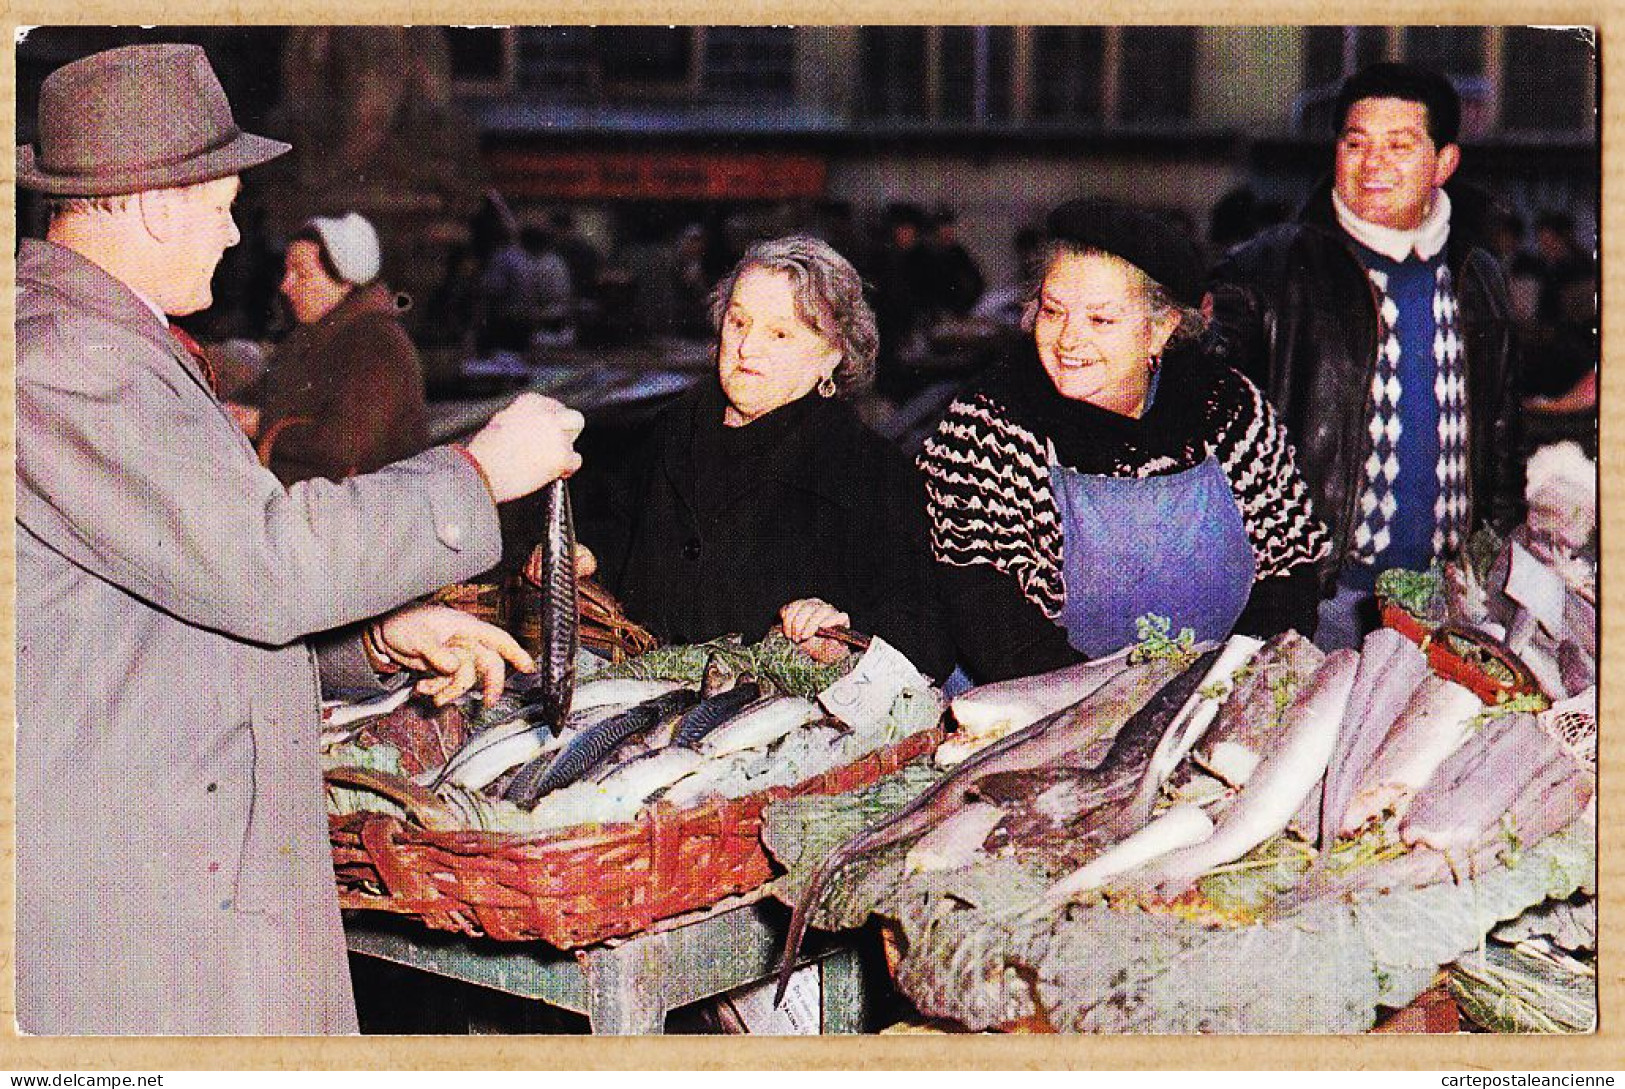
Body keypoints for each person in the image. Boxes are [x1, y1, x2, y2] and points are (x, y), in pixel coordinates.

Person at [15, 43, 586, 1035]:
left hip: (177, 858)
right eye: (223, 200)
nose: (236, 232)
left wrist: (369, 643)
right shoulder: (68, 358)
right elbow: (269, 562)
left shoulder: (102, 338)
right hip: (140, 901)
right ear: (154, 203)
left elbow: (172, 601)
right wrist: (482, 469)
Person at [918, 200, 1330, 684]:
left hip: (1216, 696)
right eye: (1053, 312)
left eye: (1101, 320)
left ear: (1161, 328)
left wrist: (1233, 686)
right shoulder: (989, 421)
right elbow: (988, 611)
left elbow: (1290, 568)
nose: (1068, 340)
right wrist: (1109, 710)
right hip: (1042, 706)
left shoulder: (1228, 408)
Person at [1207, 63, 1523, 650]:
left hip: (1446, 595)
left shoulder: (1478, 274)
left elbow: (1501, 430)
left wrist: (1495, 554)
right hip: (1320, 598)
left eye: (1399, 145)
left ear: (1444, 162)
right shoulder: (1264, 273)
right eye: (1356, 143)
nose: (1373, 163)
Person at [543, 235, 949, 675]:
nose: (747, 348)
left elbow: (925, 635)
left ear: (832, 354)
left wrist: (846, 632)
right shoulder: (669, 429)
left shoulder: (871, 472)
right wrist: (585, 554)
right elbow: (623, 531)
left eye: (779, 333)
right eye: (739, 323)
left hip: (762, 721)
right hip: (641, 698)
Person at [235, 212, 430, 484]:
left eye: (301, 274)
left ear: (344, 282)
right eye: (287, 272)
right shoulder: (309, 337)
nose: (285, 285)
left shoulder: (379, 344)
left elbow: (347, 445)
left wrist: (261, 425)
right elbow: (264, 392)